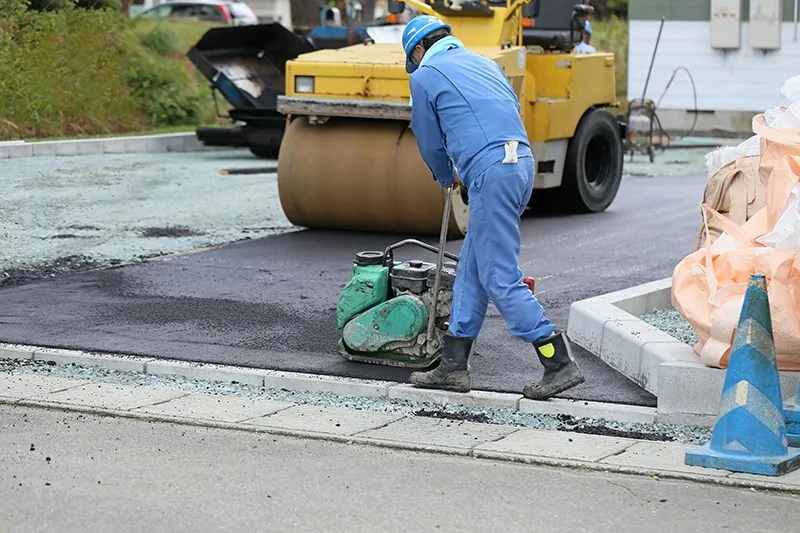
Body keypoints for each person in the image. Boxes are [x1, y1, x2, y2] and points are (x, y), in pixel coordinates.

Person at [402, 15, 585, 400]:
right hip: (520, 165)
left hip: (491, 172)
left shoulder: (426, 74)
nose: (415, 66)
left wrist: (446, 175)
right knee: (472, 267)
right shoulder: (486, 65)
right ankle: (453, 366)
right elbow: (502, 114)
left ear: (418, 50)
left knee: (498, 273)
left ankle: (557, 359)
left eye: (413, 59)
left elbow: (428, 138)